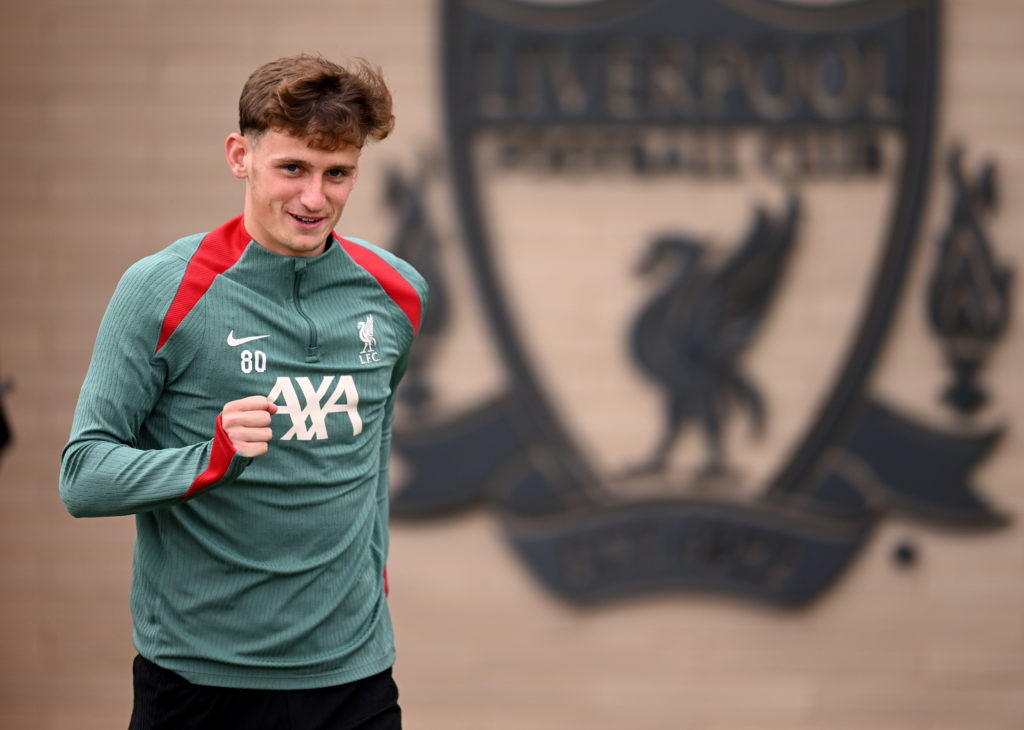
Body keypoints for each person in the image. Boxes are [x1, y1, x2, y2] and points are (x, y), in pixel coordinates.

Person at [59, 54, 427, 729]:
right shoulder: (162, 289)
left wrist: (371, 587)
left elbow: (371, 460)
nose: (315, 198)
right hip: (201, 686)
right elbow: (81, 476)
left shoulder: (398, 295)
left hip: (355, 679)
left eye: (337, 173)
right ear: (240, 155)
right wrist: (210, 459)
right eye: (293, 169)